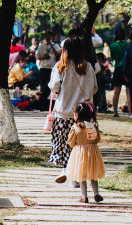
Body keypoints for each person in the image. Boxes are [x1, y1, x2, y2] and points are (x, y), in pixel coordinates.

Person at [48, 36, 98, 170]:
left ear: (65, 50)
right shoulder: (88, 67)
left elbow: (54, 87)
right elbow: (94, 88)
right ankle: (76, 174)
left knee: (64, 144)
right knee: (80, 146)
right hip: (83, 115)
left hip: (63, 112)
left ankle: (66, 170)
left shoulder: (61, 66)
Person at [55, 101, 106, 204]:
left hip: (80, 154)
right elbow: (97, 139)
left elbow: (71, 142)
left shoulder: (76, 127)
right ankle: (96, 194)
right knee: (93, 175)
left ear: (76, 115)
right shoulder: (93, 126)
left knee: (81, 176)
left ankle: (84, 196)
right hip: (93, 152)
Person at [36, 31, 61, 111]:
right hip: (43, 68)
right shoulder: (41, 46)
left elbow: (57, 54)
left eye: (49, 37)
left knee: (51, 87)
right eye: (46, 37)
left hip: (51, 68)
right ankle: (42, 105)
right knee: (43, 88)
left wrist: (51, 45)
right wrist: (43, 57)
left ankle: (50, 105)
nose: (47, 38)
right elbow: (37, 56)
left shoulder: (55, 45)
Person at [109, 28, 130, 117]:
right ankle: (130, 111)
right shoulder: (128, 43)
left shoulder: (112, 46)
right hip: (127, 68)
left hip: (117, 69)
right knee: (128, 91)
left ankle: (115, 112)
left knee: (116, 92)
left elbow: (113, 57)